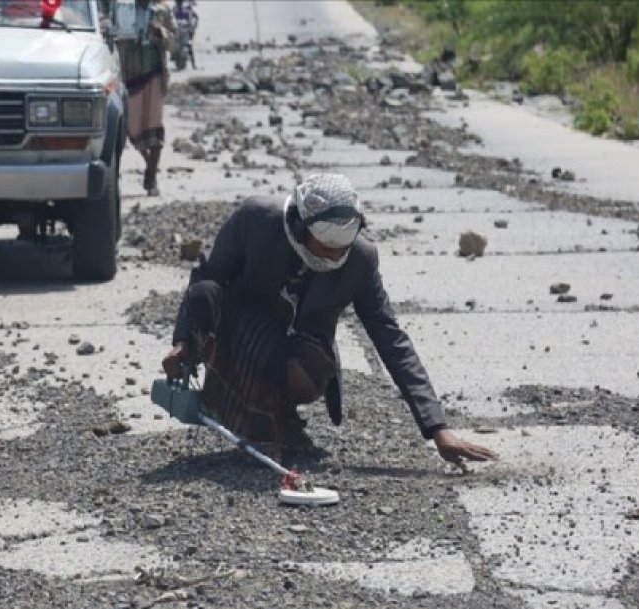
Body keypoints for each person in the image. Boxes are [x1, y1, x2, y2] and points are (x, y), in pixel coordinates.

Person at [162, 174, 496, 467]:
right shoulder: (257, 220)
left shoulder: (361, 260)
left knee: (302, 365)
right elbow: (208, 277)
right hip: (242, 329)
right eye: (323, 249)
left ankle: (281, 418)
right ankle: (253, 417)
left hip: (301, 348)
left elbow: (390, 338)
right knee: (206, 295)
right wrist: (183, 344)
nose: (333, 258)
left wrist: (437, 429)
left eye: (341, 250)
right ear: (299, 228)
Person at [111, 0, 175, 196]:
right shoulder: (121, 9)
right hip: (129, 76)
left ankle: (152, 176)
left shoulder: (162, 12)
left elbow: (173, 42)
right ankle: (150, 165)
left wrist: (161, 34)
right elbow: (110, 38)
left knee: (154, 128)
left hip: (154, 74)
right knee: (130, 129)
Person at [172, 0, 198, 69]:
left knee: (189, 45)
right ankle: (193, 65)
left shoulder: (187, 10)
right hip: (178, 30)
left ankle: (193, 64)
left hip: (184, 30)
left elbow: (193, 19)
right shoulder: (175, 10)